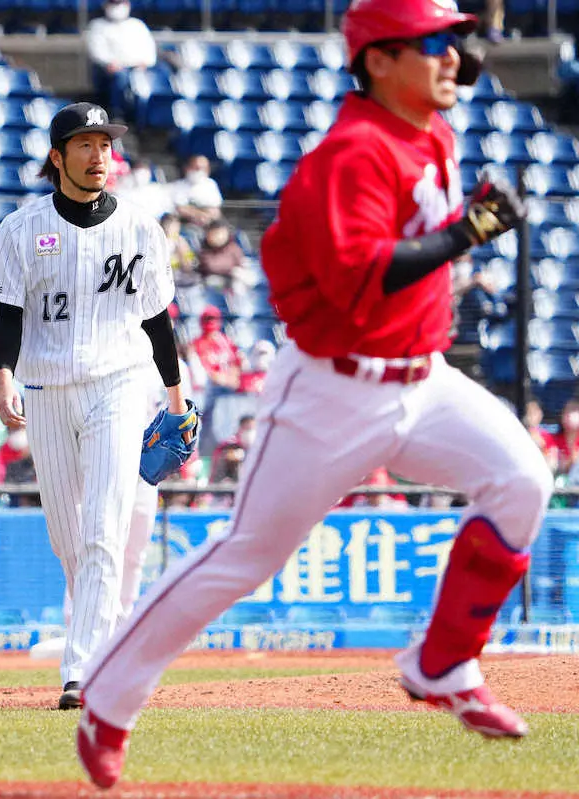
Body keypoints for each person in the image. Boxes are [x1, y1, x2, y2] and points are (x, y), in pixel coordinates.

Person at [76, 0, 550, 787]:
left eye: (454, 41)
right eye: (434, 42)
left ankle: (444, 660)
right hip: (333, 388)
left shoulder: (431, 130)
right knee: (248, 554)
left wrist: (463, 223)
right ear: (379, 61)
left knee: (524, 479)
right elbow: (365, 277)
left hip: (423, 376)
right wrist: (468, 230)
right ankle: (107, 696)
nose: (452, 56)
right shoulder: (353, 153)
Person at [0, 102, 190, 710]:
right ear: (57, 156)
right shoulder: (21, 229)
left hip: (119, 384)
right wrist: (4, 377)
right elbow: (8, 314)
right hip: (44, 391)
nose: (99, 156)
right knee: (69, 539)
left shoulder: (140, 227)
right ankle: (112, 641)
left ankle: (83, 670)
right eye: (85, 144)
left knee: (101, 531)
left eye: (105, 144)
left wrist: (175, 399)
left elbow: (157, 321)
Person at [86, 0, 157, 117]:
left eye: (120, 3)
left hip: (138, 68)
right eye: (114, 3)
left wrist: (145, 62)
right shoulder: (97, 26)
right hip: (111, 70)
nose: (117, 7)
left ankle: (145, 115)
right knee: (120, 78)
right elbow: (97, 52)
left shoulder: (137, 25)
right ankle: (118, 114)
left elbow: (149, 50)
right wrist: (109, 63)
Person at [192, 305, 244, 394]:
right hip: (210, 390)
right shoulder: (197, 344)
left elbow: (236, 364)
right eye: (207, 319)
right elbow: (206, 373)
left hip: (230, 387)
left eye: (213, 318)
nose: (210, 321)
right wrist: (226, 380)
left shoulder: (227, 341)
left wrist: (232, 378)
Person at [168, 154, 224, 234]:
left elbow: (215, 210)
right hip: (183, 225)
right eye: (196, 167)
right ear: (187, 168)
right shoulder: (178, 185)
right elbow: (180, 209)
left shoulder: (211, 185)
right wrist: (199, 214)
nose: (199, 171)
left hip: (207, 225)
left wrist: (204, 216)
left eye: (202, 168)